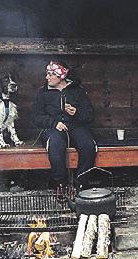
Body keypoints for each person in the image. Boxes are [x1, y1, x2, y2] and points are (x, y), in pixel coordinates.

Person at [33, 60, 96, 189]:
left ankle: (81, 184)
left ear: (62, 75)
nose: (47, 77)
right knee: (56, 143)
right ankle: (60, 184)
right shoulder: (43, 92)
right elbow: (36, 117)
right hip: (53, 129)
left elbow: (90, 115)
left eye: (51, 74)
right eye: (47, 73)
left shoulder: (77, 90)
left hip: (76, 126)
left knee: (88, 145)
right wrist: (53, 123)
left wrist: (76, 112)